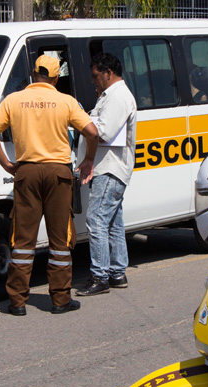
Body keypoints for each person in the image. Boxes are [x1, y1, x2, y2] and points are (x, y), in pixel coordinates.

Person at [0, 54, 99, 316]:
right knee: (60, 239)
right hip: (59, 174)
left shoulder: (13, 100)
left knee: (23, 240)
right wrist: (88, 159)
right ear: (57, 78)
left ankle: (17, 302)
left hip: (26, 173)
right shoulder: (65, 101)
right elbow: (92, 132)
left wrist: (6, 164)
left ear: (33, 74)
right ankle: (60, 300)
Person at [75, 53, 137, 297]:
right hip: (108, 167)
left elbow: (103, 133)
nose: (93, 82)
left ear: (108, 73)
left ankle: (99, 276)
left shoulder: (118, 96)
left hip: (110, 168)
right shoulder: (111, 96)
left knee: (97, 220)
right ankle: (117, 272)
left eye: (95, 76)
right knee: (112, 222)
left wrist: (78, 119)